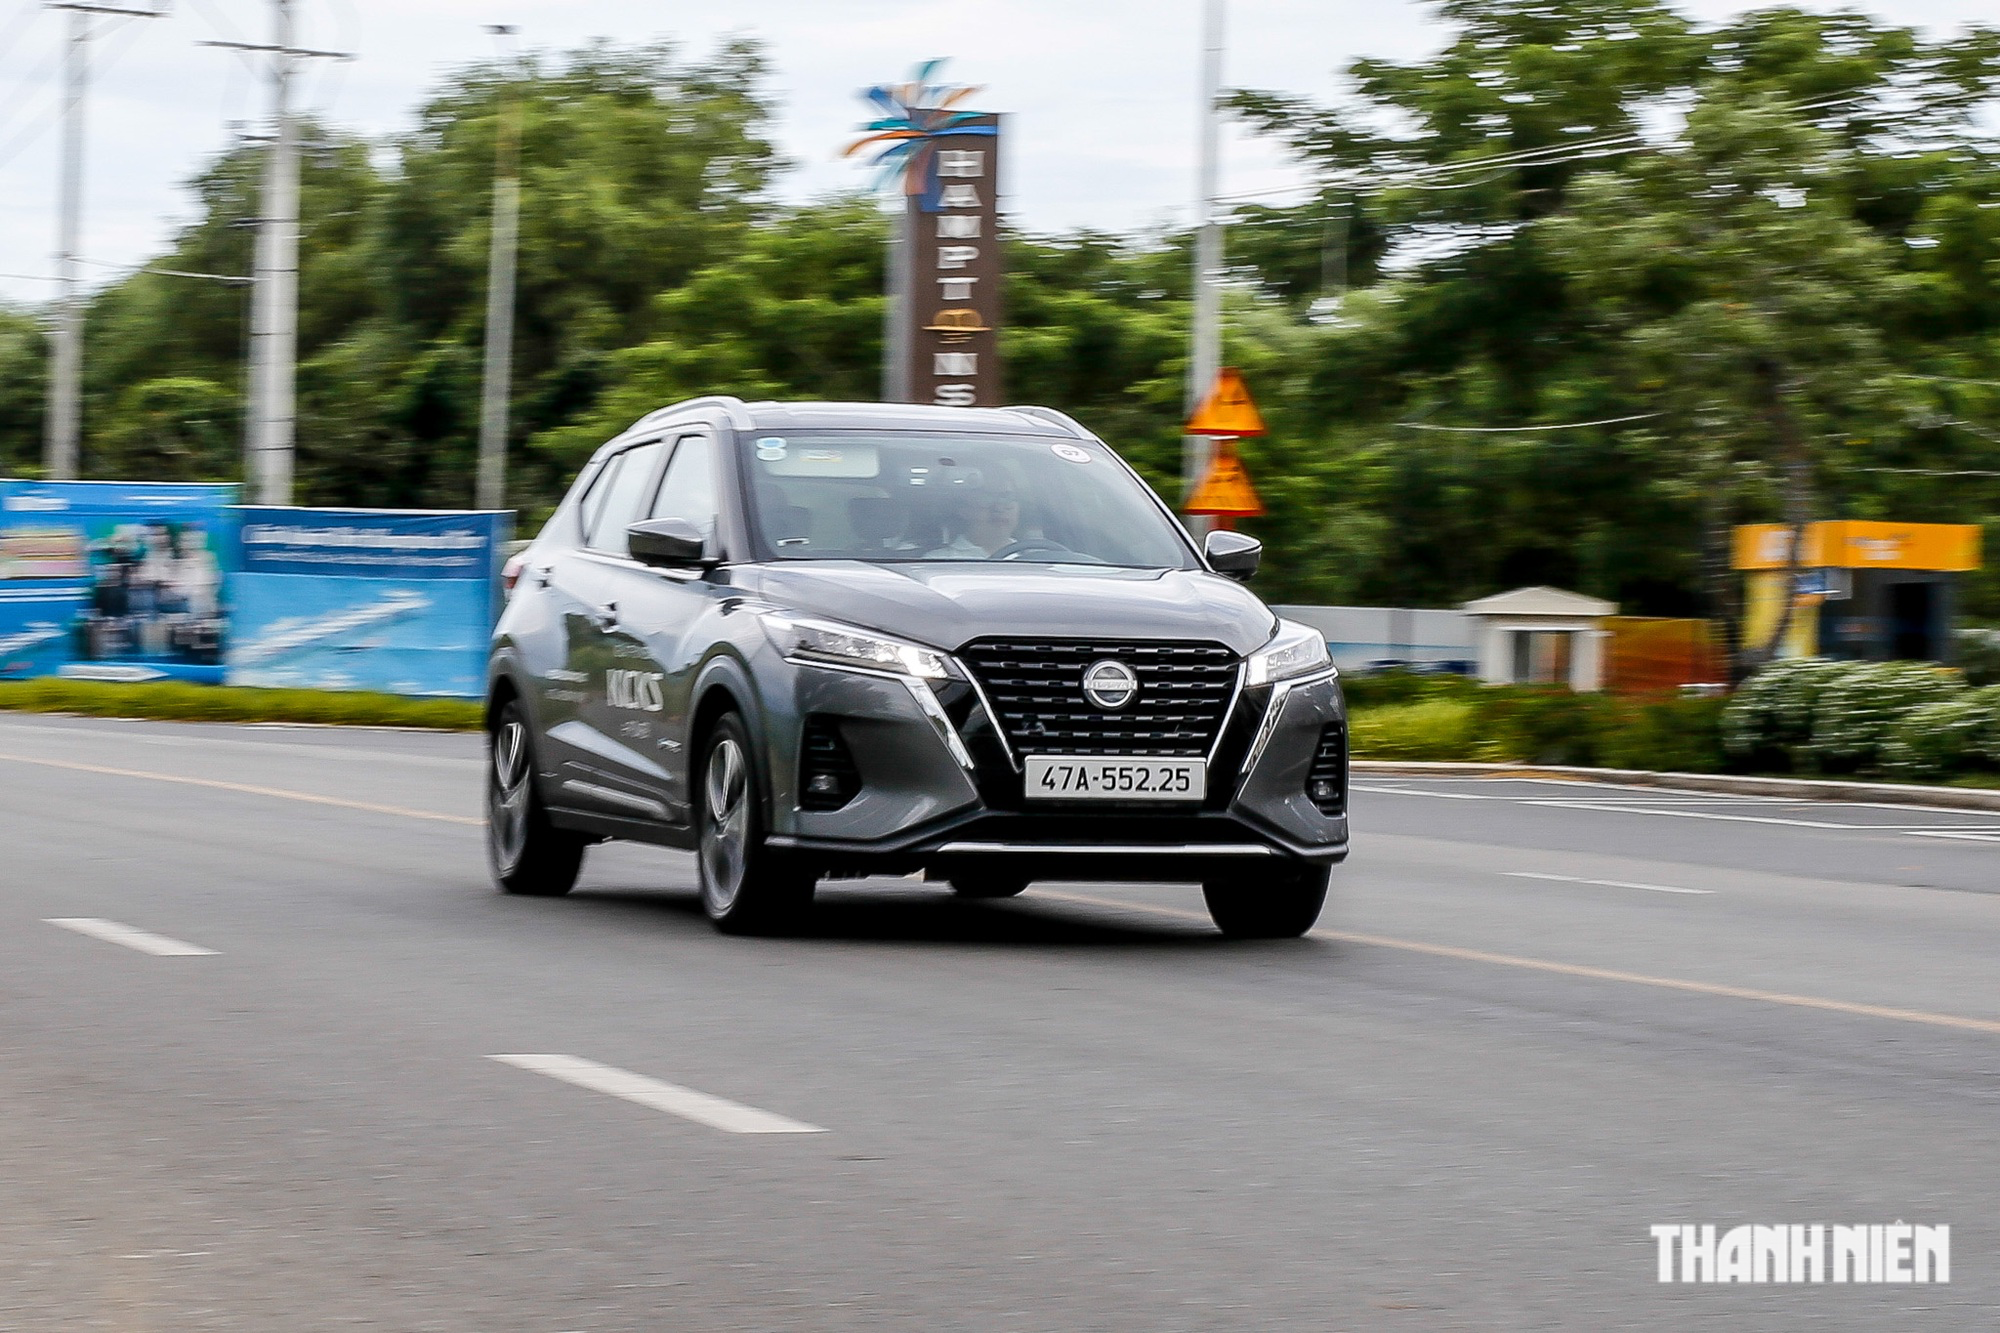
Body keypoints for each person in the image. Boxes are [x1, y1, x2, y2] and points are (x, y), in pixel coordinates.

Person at [926, 478, 1022, 558]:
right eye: (986, 498)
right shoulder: (938, 561)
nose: (999, 508)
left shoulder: (1033, 555)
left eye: (1008, 497)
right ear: (963, 510)